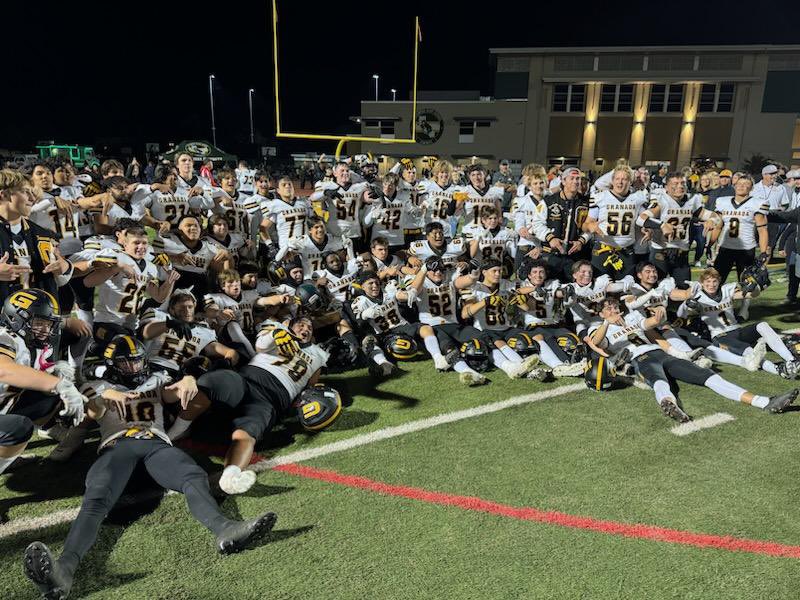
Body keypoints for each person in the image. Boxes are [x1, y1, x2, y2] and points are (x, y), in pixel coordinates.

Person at [22, 335, 277, 600]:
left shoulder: (154, 380)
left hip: (156, 446)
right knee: (96, 499)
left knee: (192, 475)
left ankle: (226, 530)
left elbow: (173, 391)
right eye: (126, 363)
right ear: (111, 365)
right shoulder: (96, 384)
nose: (134, 368)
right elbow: (93, 411)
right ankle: (62, 571)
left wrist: (188, 380)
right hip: (117, 447)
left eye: (136, 361)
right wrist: (103, 396)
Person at [590, 296, 799, 422]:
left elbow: (652, 323)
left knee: (707, 376)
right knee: (659, 381)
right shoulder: (598, 327)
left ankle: (763, 402)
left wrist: (660, 310)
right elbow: (597, 342)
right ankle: (668, 403)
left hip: (661, 353)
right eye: (608, 308)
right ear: (600, 313)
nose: (613, 309)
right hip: (640, 359)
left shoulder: (632, 318)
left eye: (615, 306)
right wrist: (607, 323)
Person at [0, 289, 86, 477]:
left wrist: (54, 376)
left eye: (48, 324)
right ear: (16, 319)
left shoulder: (30, 342)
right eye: (39, 323)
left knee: (53, 392)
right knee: (18, 426)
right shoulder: (5, 336)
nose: (46, 330)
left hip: (5, 405)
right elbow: (3, 370)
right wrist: (56, 384)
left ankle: (9, 453)